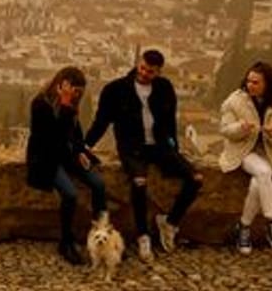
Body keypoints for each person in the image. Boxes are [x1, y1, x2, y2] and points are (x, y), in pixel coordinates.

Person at [85, 49, 202, 261]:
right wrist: (86, 146)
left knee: (195, 179)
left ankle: (170, 223)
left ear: (158, 72)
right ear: (139, 64)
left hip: (159, 146)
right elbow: (101, 121)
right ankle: (143, 236)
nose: (145, 73)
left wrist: (174, 150)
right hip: (131, 147)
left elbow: (170, 121)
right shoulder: (115, 90)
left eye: (150, 71)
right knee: (139, 182)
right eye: (143, 68)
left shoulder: (165, 88)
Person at [27, 66, 107, 265]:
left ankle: (101, 235)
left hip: (67, 155)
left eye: (79, 92)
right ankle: (66, 241)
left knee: (98, 184)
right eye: (73, 90)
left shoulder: (71, 105)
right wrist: (64, 105)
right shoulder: (40, 104)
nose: (75, 95)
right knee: (70, 195)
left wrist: (80, 152)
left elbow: (75, 134)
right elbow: (53, 138)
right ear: (60, 84)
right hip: (46, 157)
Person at [219, 61, 272, 254]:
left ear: (267, 84)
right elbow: (225, 130)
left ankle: (243, 227)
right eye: (248, 81)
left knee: (258, 182)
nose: (250, 86)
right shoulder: (234, 101)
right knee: (263, 172)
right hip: (243, 151)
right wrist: (241, 128)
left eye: (255, 82)